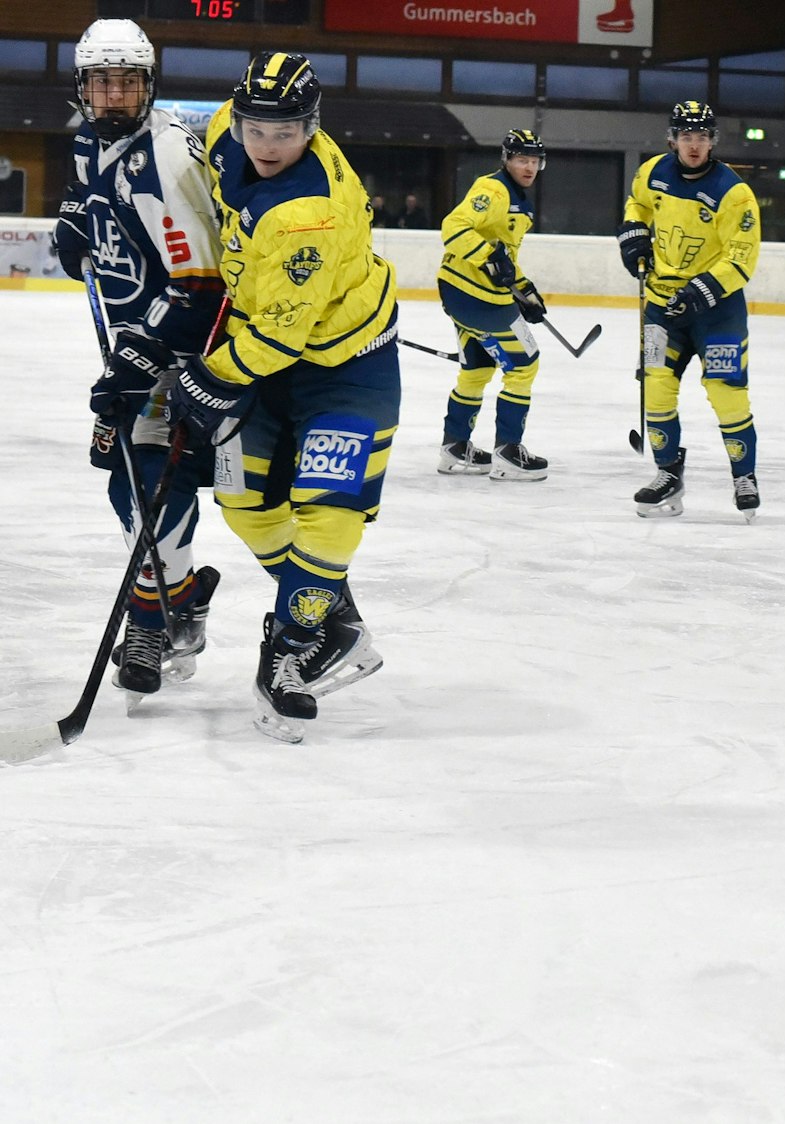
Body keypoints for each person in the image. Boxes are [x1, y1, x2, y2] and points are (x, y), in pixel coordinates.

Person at [173, 50, 399, 742]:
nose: (268, 146)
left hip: (345, 365)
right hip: (264, 343)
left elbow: (281, 335)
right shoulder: (222, 131)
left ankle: (291, 647)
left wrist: (206, 381)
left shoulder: (310, 214)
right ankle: (333, 614)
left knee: (329, 512)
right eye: (256, 128)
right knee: (241, 497)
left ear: (313, 125)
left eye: (287, 132)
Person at [53, 18, 225, 701]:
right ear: (84, 86)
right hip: (133, 346)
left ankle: (152, 624)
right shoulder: (90, 143)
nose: (114, 95)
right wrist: (73, 217)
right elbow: (87, 188)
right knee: (124, 487)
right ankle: (184, 597)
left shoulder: (170, 160)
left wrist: (142, 355)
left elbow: (204, 287)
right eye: (102, 82)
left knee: (157, 489)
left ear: (148, 85)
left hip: (181, 351)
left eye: (127, 82)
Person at [618, 100, 763, 519]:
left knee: (727, 393)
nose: (694, 145)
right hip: (662, 306)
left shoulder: (733, 192)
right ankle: (667, 473)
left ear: (712, 141)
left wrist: (701, 291)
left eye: (701, 137)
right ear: (672, 139)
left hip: (717, 313)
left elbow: (741, 256)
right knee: (657, 389)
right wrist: (633, 235)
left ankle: (744, 475)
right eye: (686, 137)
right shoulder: (652, 172)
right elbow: (638, 205)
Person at [434, 128, 549, 481]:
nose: (528, 167)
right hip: (477, 297)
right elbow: (453, 227)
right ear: (506, 159)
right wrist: (488, 257)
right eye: (521, 159)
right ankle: (509, 453)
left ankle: (454, 449)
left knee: (477, 369)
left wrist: (523, 289)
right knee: (524, 365)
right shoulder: (494, 190)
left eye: (534, 161)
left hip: (464, 293)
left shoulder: (517, 199)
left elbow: (504, 256)